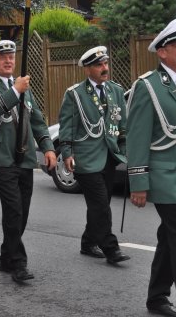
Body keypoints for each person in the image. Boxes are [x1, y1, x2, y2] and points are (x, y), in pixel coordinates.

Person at [127, 18, 176, 317]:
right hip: (167, 178)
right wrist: (138, 182)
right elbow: (137, 137)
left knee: (170, 239)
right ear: (162, 52)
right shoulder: (148, 86)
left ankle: (157, 297)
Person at [0, 40, 56, 283]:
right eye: (2, 57)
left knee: (22, 212)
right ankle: (19, 264)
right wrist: (16, 90)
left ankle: (6, 257)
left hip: (24, 156)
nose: (8, 61)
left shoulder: (23, 87)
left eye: (11, 56)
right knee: (14, 208)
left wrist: (48, 148)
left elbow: (37, 120)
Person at [58, 46, 130, 264]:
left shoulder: (116, 91)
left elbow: (122, 125)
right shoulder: (75, 94)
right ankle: (111, 248)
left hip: (109, 156)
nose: (104, 68)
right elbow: (67, 127)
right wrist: (67, 153)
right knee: (100, 205)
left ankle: (88, 242)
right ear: (87, 69)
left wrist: (126, 150)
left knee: (101, 203)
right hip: (86, 159)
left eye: (105, 63)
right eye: (99, 65)